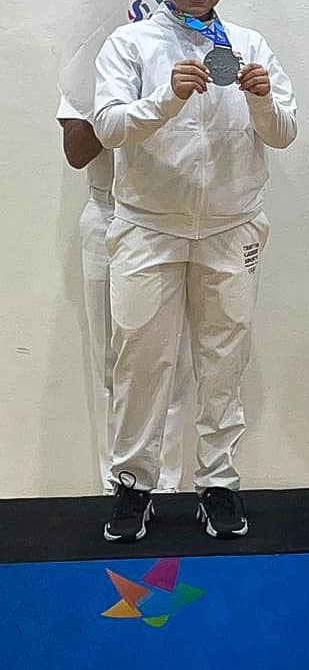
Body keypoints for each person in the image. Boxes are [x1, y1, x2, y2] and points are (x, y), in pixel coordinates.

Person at [93, 0, 297, 542]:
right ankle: (133, 486)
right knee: (140, 362)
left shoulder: (250, 46)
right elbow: (108, 126)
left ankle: (218, 483)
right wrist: (167, 97)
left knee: (223, 359)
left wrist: (261, 100)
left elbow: (284, 133)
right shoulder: (130, 44)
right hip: (148, 228)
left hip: (230, 229)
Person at [57, 95, 194, 493]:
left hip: (171, 220)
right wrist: (124, 101)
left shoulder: (179, 61)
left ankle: (165, 489)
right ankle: (117, 490)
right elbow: (77, 151)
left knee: (173, 362)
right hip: (108, 212)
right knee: (110, 363)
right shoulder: (89, 67)